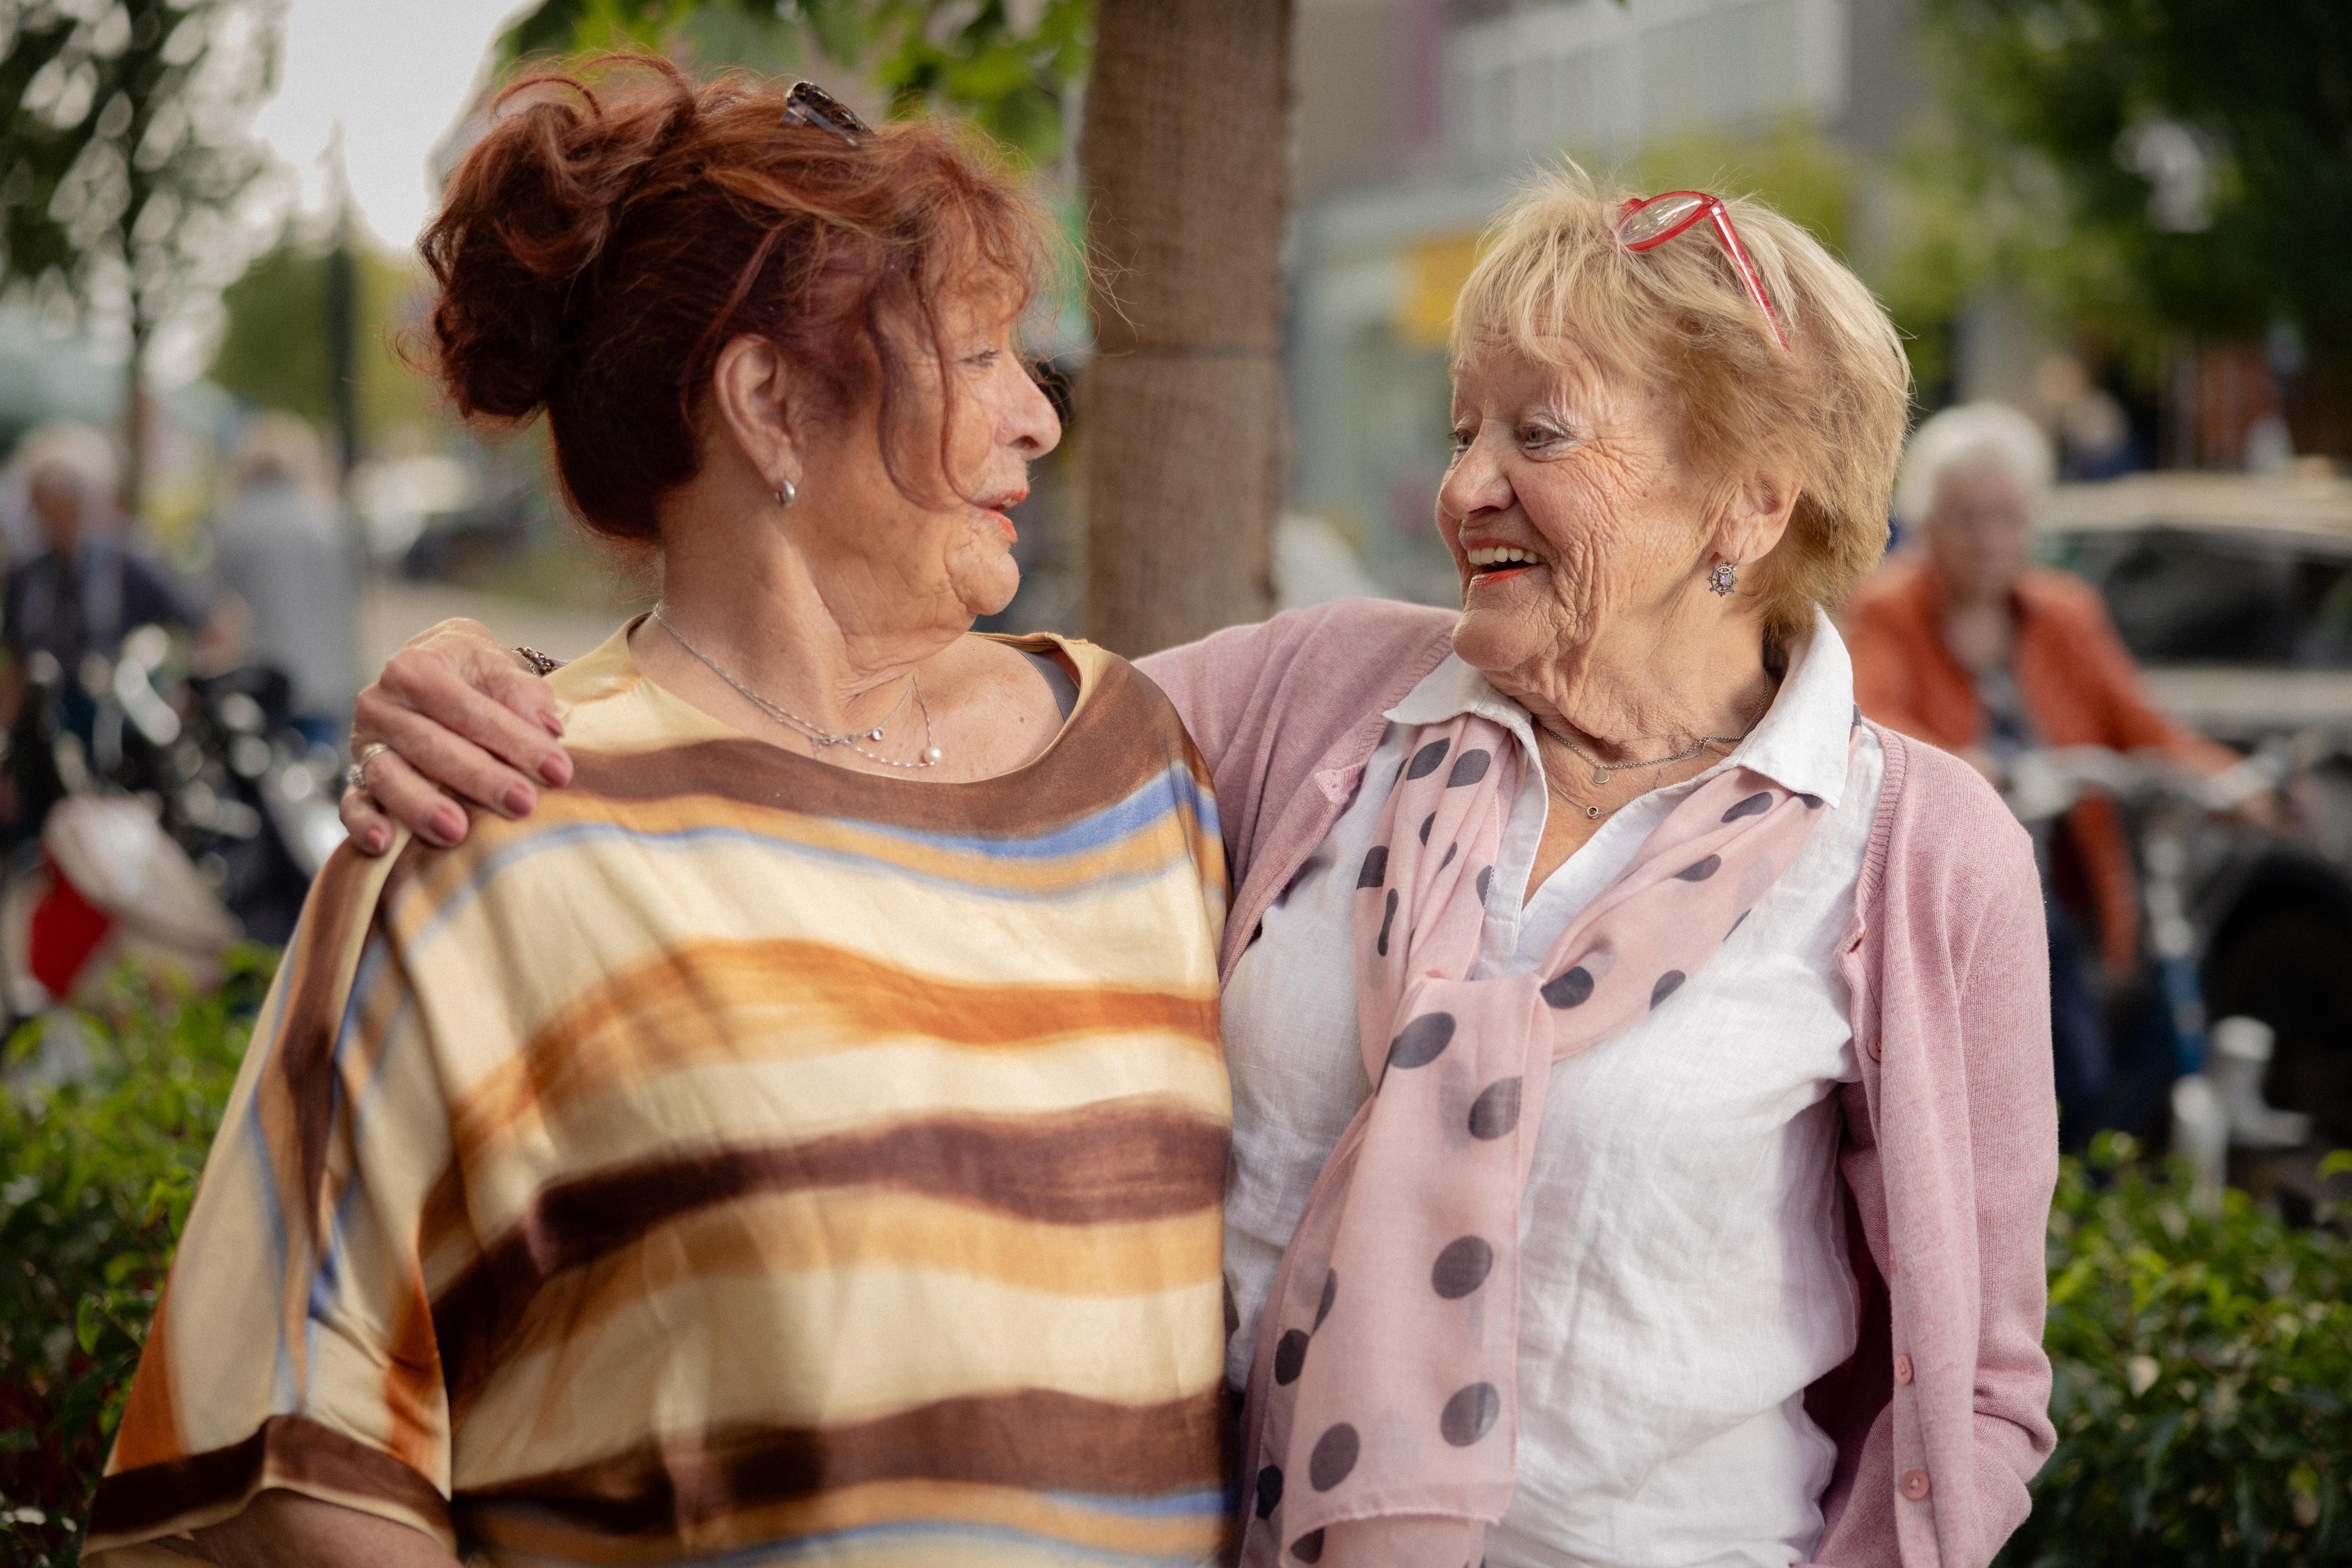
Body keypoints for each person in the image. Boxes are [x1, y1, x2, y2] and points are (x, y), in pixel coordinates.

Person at [337, 171, 2058, 1567]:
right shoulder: (1321, 698)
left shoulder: (1913, 854)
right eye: (1464, 428)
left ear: (1750, 503)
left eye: (1540, 438)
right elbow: (885, 736)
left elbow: (1971, 1392)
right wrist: (531, 693)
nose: (1464, 487)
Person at [85, 62, 1233, 1568]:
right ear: (770, 404)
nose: (1037, 417)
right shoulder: (498, 822)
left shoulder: (1134, 760)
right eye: (979, 352)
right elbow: (291, 1453)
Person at [1844, 402, 2241, 1150]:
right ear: (1926, 521)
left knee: (2164, 1010)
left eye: (2005, 516)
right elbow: (1876, 717)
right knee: (2070, 1067)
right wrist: (1969, 766)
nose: (1988, 538)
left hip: (2082, 873)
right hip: (1965, 882)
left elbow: (2144, 727)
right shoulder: (1887, 608)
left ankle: (2098, 1187)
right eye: (1964, 517)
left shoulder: (2066, 613)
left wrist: (2235, 783)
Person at [208, 412, 360, 745]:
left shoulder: (233, 526)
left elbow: (218, 614)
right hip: (327, 686)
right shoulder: (330, 522)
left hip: (262, 686)